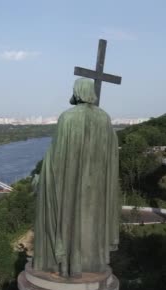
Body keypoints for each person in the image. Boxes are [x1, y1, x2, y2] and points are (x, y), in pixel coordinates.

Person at [33, 78, 120, 277]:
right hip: (96, 185)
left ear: (77, 92)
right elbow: (112, 154)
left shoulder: (68, 117)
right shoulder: (104, 118)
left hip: (71, 185)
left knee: (70, 217)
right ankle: (93, 262)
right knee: (92, 221)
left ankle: (66, 263)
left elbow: (56, 157)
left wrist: (43, 177)